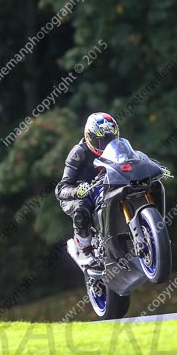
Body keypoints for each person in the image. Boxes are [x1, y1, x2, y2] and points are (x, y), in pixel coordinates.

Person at [55, 112, 120, 270]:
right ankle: (84, 249)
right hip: (80, 194)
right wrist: (77, 191)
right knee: (81, 209)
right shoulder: (79, 153)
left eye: (110, 139)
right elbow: (60, 188)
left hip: (108, 187)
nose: (106, 144)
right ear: (90, 137)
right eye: (102, 140)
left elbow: (134, 159)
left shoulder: (119, 149)